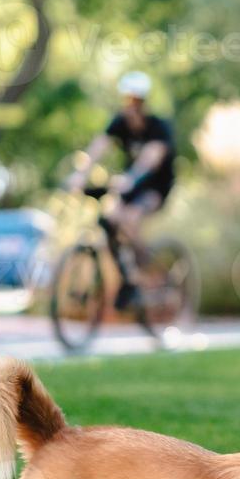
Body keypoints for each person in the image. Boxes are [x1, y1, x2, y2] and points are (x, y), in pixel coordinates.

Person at [65, 72, 177, 309]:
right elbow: (98, 147)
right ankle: (129, 278)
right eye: (128, 99)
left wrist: (132, 177)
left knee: (131, 218)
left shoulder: (158, 126)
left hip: (155, 186)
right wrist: (79, 174)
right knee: (110, 219)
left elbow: (152, 157)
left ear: (143, 102)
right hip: (131, 186)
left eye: (135, 100)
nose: (131, 105)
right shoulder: (119, 123)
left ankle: (147, 269)